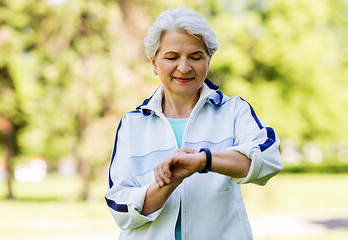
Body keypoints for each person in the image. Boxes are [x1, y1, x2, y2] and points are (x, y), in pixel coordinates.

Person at [105, 7, 282, 240]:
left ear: (209, 60)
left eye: (196, 57)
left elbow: (268, 159)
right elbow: (121, 208)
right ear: (154, 62)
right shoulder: (132, 124)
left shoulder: (234, 111)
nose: (184, 67)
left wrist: (203, 160)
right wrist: (170, 181)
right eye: (172, 57)